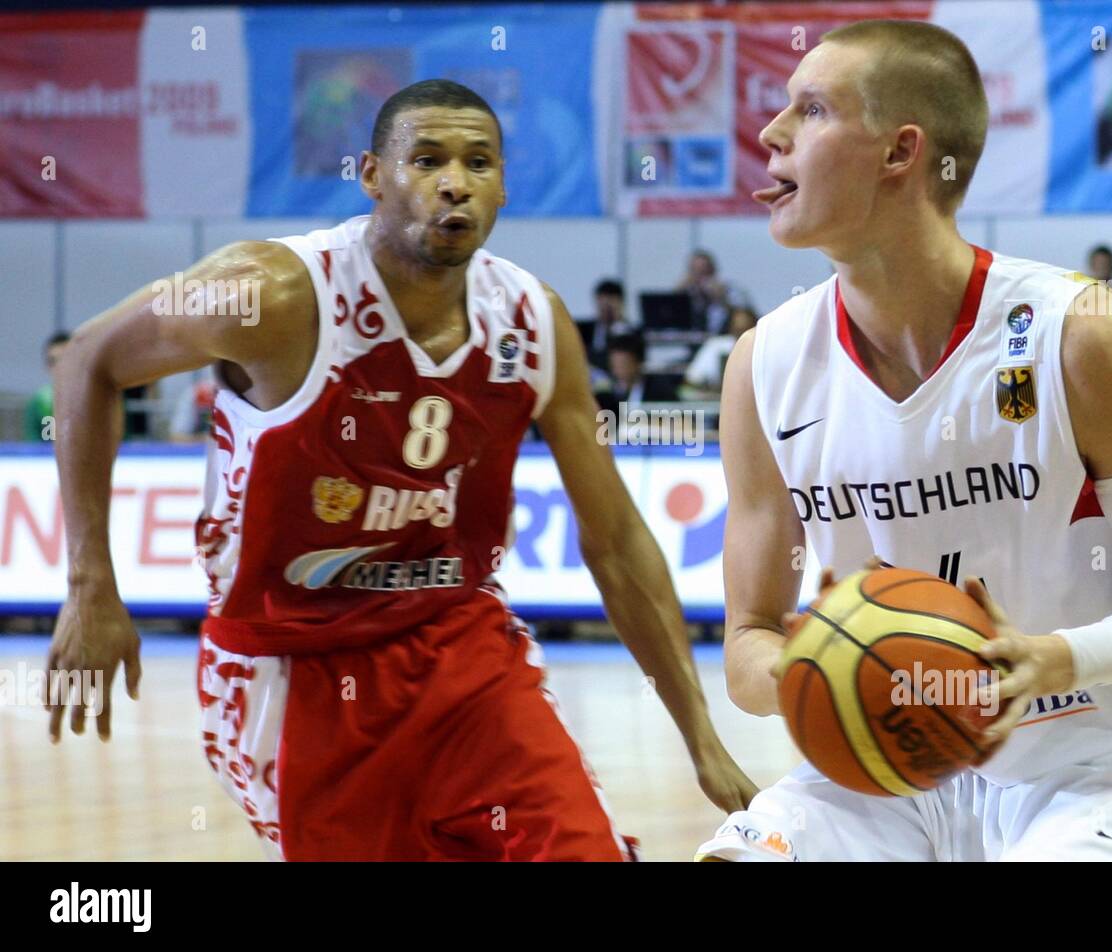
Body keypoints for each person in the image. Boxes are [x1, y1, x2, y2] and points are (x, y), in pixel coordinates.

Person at [47, 79, 755, 862]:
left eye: (478, 161)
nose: (455, 180)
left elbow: (616, 537)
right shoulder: (271, 293)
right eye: (427, 158)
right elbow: (89, 361)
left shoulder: (533, 320)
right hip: (292, 672)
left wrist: (699, 733)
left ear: (503, 186)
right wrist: (90, 587)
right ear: (372, 176)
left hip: (466, 656)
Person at [697, 20, 1112, 862]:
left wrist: (1051, 660)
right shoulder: (762, 366)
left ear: (899, 153)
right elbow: (746, 643)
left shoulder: (1080, 334)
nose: (770, 134)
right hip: (884, 775)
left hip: (1104, 768)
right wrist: (830, 670)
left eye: (810, 110)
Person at [683, 305, 759, 395]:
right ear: (731, 328)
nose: (742, 335)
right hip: (714, 400)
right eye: (738, 330)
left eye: (746, 329)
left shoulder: (762, 350)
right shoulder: (716, 345)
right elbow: (691, 378)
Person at [676, 250, 753, 335]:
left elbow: (745, 313)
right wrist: (680, 294)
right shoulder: (685, 291)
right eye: (696, 271)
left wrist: (722, 297)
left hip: (722, 339)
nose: (700, 277)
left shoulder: (728, 289)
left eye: (704, 271)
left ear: (713, 270)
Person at [579, 278, 633, 371]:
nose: (605, 311)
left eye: (610, 307)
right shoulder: (583, 330)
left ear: (621, 304)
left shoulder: (631, 332)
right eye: (602, 307)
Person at [24, 332, 69, 442]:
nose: (60, 367)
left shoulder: (97, 400)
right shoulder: (40, 402)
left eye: (66, 359)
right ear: (46, 366)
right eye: (53, 361)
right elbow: (34, 447)